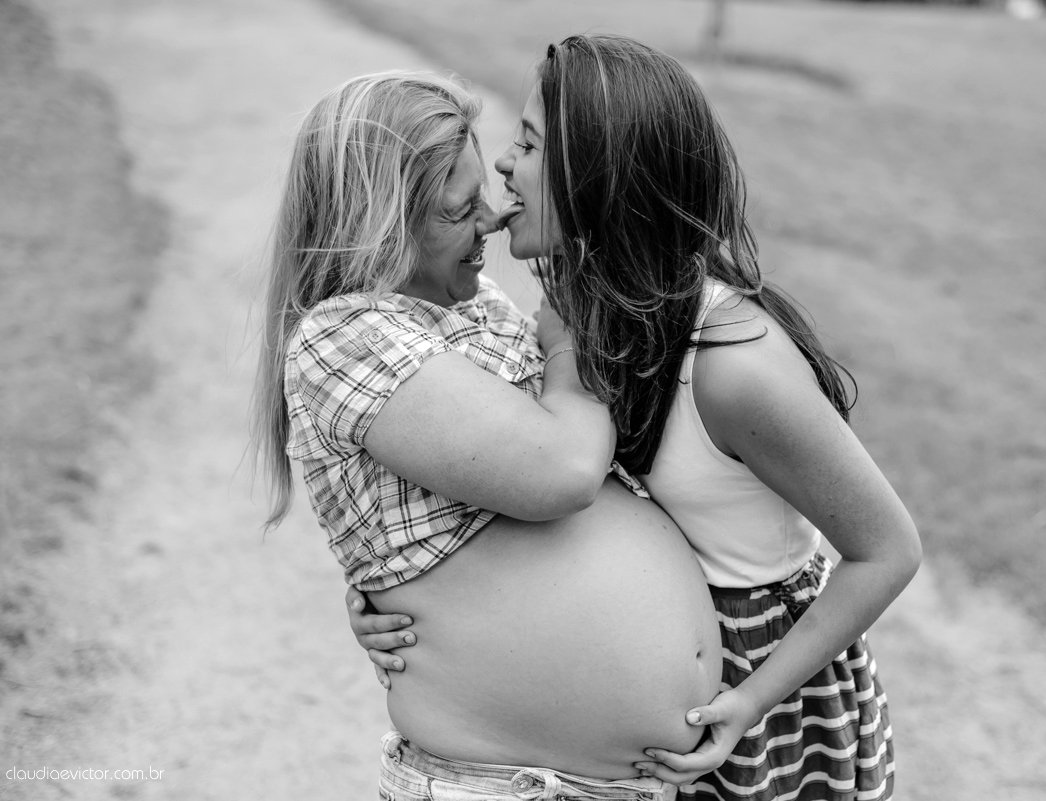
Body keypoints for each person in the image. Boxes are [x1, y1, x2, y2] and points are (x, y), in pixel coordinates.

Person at [349, 35, 922, 801]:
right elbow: (497, 478)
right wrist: (384, 596)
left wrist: (749, 702)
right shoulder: (572, 317)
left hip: (755, 713)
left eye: (527, 143)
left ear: (599, 179)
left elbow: (887, 550)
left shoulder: (732, 365)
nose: (504, 167)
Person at [252, 70, 726, 801]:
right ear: (377, 221)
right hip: (507, 783)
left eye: (486, 194)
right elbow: (563, 469)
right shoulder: (343, 335)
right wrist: (570, 337)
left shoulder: (475, 308)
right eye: (459, 208)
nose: (495, 220)